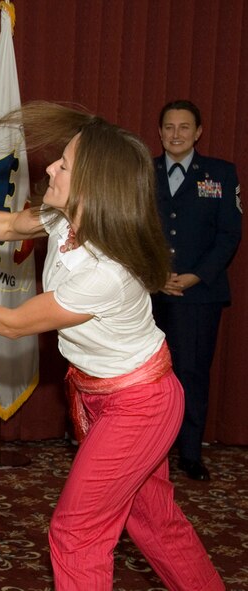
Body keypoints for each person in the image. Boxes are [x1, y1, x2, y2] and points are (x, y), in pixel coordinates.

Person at [0, 102, 223, 590]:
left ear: (92, 186)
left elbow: (13, 323)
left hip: (139, 406)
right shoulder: (65, 216)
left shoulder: (104, 271)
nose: (50, 167)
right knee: (154, 522)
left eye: (64, 164)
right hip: (105, 393)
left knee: (76, 534)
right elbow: (9, 226)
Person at [152, 99, 241, 482]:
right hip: (149, 290)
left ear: (198, 132)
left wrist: (194, 276)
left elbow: (228, 236)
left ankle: (189, 454)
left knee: (191, 373)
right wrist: (152, 273)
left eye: (184, 127)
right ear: (159, 133)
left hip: (198, 295)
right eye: (169, 127)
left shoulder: (220, 174)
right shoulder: (142, 171)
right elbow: (130, 226)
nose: (176, 134)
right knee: (146, 375)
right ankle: (149, 452)